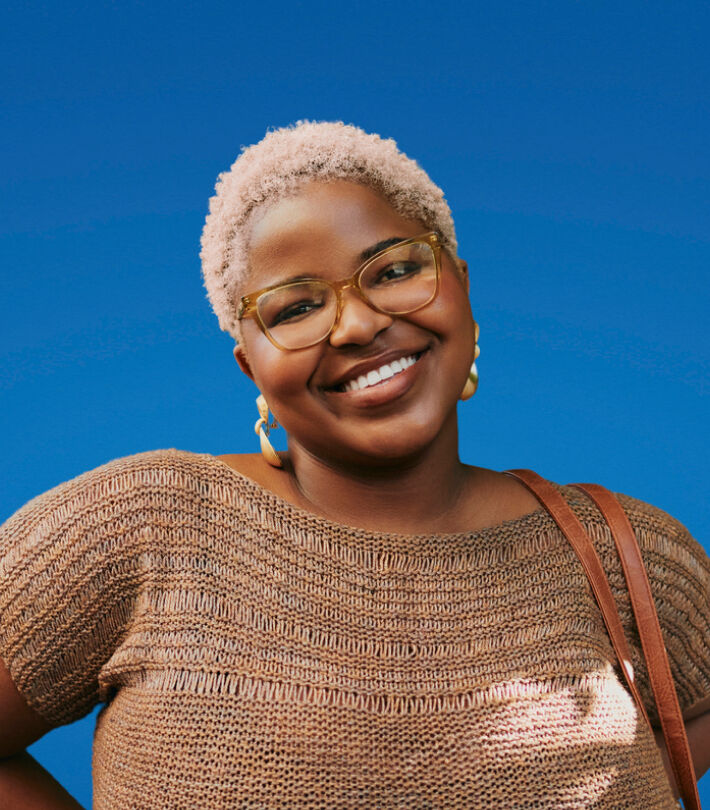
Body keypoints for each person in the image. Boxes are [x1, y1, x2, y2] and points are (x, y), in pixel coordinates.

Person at [0, 120, 708, 809]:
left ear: (459, 284)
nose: (359, 324)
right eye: (296, 307)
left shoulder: (633, 556)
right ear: (252, 365)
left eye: (396, 269)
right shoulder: (143, 527)